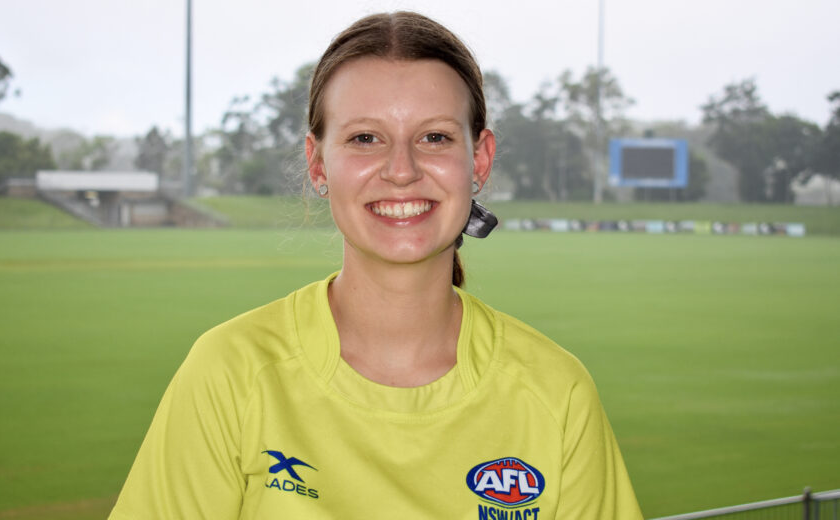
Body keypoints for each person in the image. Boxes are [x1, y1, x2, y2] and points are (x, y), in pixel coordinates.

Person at [109, 11, 642, 520]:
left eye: (434, 137)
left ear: (478, 159)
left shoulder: (555, 393)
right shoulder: (231, 374)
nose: (401, 170)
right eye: (365, 138)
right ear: (318, 164)